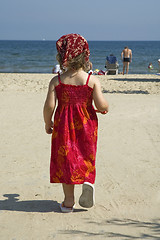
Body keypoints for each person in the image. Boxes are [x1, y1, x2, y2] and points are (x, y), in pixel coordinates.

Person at [43, 33, 109, 213]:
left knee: (66, 160)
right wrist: (105, 107)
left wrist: (47, 122)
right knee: (85, 154)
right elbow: (100, 104)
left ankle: (68, 201)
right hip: (86, 126)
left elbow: (49, 106)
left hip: (63, 127)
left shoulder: (56, 81)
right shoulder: (91, 80)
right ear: (85, 55)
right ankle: (87, 180)